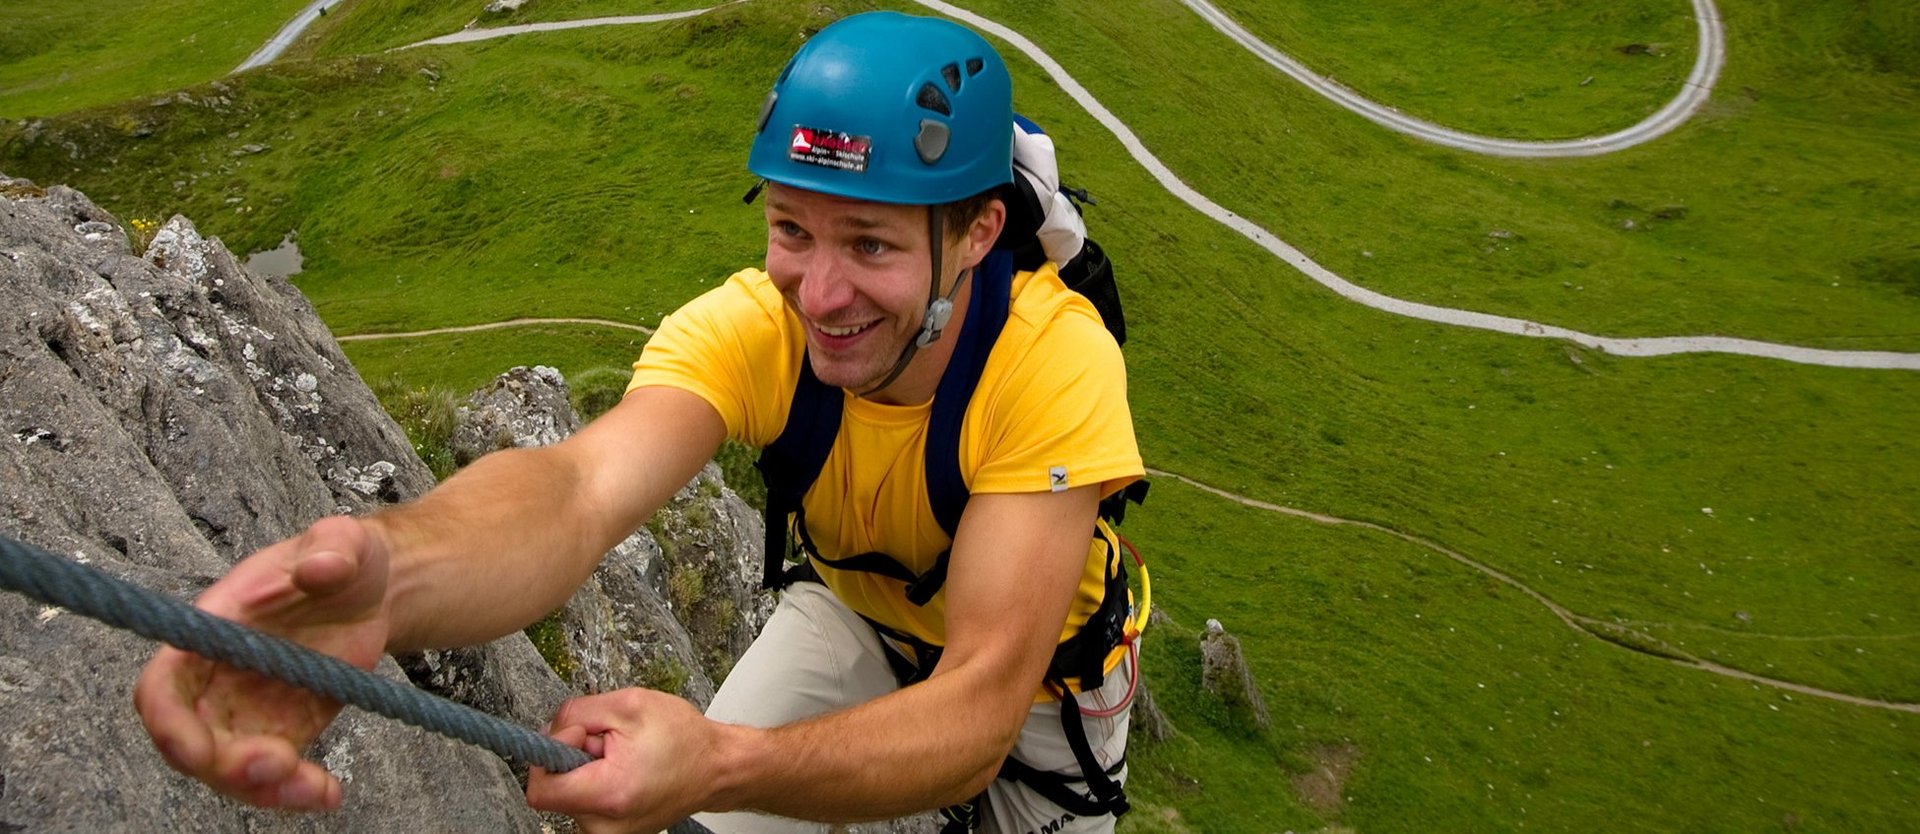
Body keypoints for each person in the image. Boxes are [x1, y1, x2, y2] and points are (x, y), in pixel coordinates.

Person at [135, 11, 1144, 834]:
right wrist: (393, 579)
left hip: (1041, 690)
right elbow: (575, 491)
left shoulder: (1051, 363)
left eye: (871, 244)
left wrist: (720, 761)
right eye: (790, 228)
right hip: (855, 618)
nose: (819, 293)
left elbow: (977, 708)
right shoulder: (757, 328)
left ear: (978, 231)